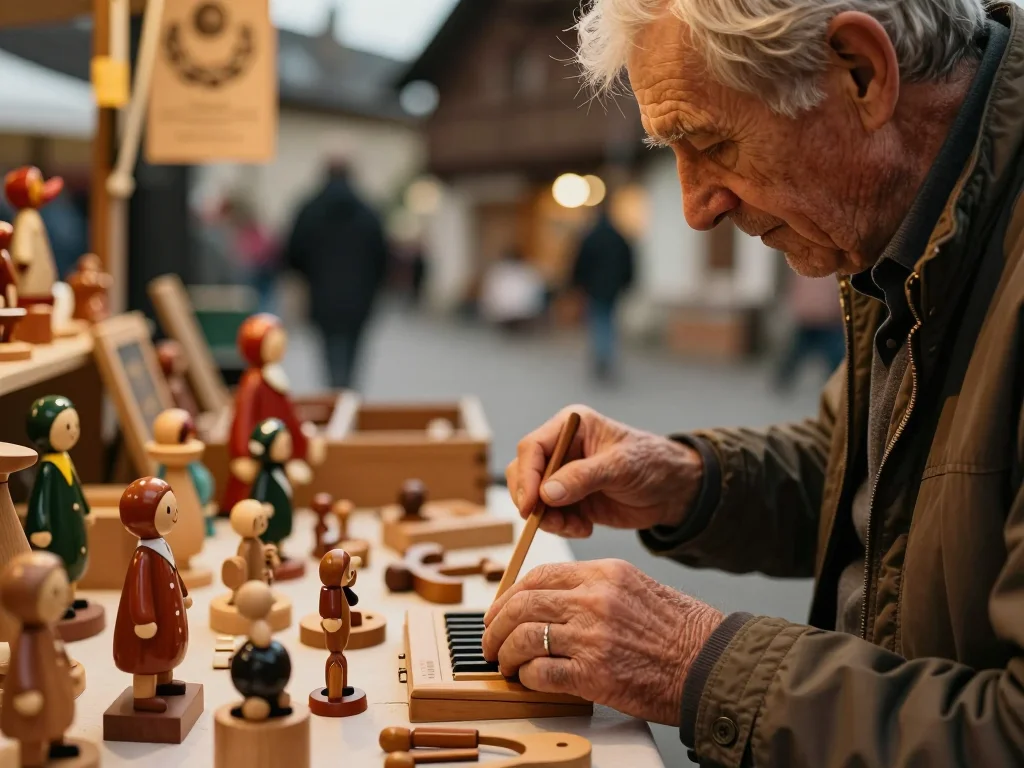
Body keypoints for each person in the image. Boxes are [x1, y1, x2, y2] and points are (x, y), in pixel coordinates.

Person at [483, 2, 1024, 766]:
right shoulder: (908, 226)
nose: (696, 208)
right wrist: (685, 479)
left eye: (709, 142)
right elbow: (875, 485)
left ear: (862, 73)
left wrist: (692, 662)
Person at [283, 161, 388, 390]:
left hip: (322, 298)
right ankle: (346, 398)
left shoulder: (309, 209)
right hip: (359, 300)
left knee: (330, 358)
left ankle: (336, 398)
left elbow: (291, 254)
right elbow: (383, 257)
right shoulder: (368, 211)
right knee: (352, 360)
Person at [571, 208, 635, 381]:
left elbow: (580, 262)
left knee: (598, 320)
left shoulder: (591, 237)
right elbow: (629, 262)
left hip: (594, 288)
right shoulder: (619, 238)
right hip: (614, 287)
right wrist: (627, 283)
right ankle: (606, 356)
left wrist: (578, 283)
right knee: (609, 320)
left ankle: (601, 356)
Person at [774, 273, 845, 390]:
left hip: (828, 320)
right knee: (794, 353)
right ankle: (782, 379)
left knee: (835, 357)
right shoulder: (804, 268)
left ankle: (837, 385)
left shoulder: (834, 268)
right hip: (808, 319)